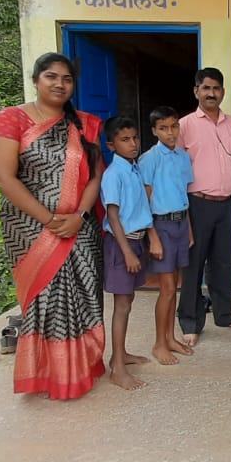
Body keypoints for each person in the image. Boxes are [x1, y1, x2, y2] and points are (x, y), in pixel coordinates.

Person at [0, 52, 106, 400]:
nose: (60, 84)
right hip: (31, 229)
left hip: (80, 228)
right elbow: (4, 178)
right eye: (52, 76)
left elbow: (96, 175)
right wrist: (51, 221)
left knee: (84, 296)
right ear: (36, 79)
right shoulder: (11, 120)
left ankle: (81, 367)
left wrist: (79, 216)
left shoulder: (86, 123)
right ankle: (47, 373)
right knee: (45, 302)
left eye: (67, 79)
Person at [178, 67, 231, 345]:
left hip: (225, 204)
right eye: (205, 88)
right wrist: (182, 214)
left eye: (216, 88)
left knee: (223, 262)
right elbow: (175, 171)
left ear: (223, 92)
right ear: (196, 91)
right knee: (193, 263)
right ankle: (190, 320)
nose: (211, 93)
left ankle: (224, 314)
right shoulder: (184, 125)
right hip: (196, 203)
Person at [139, 106, 196, 365]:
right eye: (163, 128)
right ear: (154, 131)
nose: (170, 132)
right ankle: (159, 343)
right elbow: (145, 200)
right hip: (160, 226)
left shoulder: (183, 157)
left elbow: (184, 194)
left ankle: (171, 337)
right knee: (167, 288)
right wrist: (152, 236)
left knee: (175, 286)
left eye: (174, 126)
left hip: (180, 224)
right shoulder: (149, 159)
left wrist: (190, 228)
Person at [99, 116, 153, 390]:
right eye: (125, 140)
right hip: (122, 244)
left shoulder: (133, 169)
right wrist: (128, 253)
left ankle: (120, 355)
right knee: (121, 305)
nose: (133, 144)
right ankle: (117, 369)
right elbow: (113, 215)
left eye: (134, 138)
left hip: (136, 241)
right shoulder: (114, 174)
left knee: (128, 301)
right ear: (111, 144)